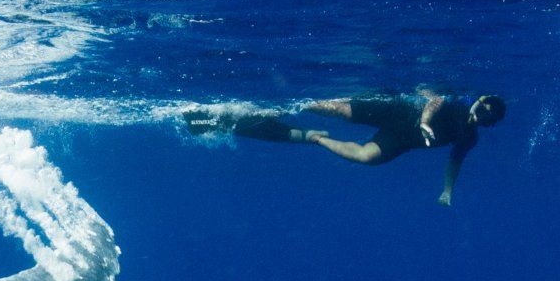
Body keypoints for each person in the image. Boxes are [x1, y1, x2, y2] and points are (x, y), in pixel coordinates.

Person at [183, 91, 506, 205]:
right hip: (397, 112)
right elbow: (436, 100)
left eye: (484, 120)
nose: (478, 118)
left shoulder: (469, 136)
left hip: (401, 140)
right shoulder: (459, 100)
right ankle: (260, 109)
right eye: (480, 111)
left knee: (366, 158)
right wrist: (424, 121)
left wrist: (447, 190)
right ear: (478, 102)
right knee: (329, 107)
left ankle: (316, 138)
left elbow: (455, 163)